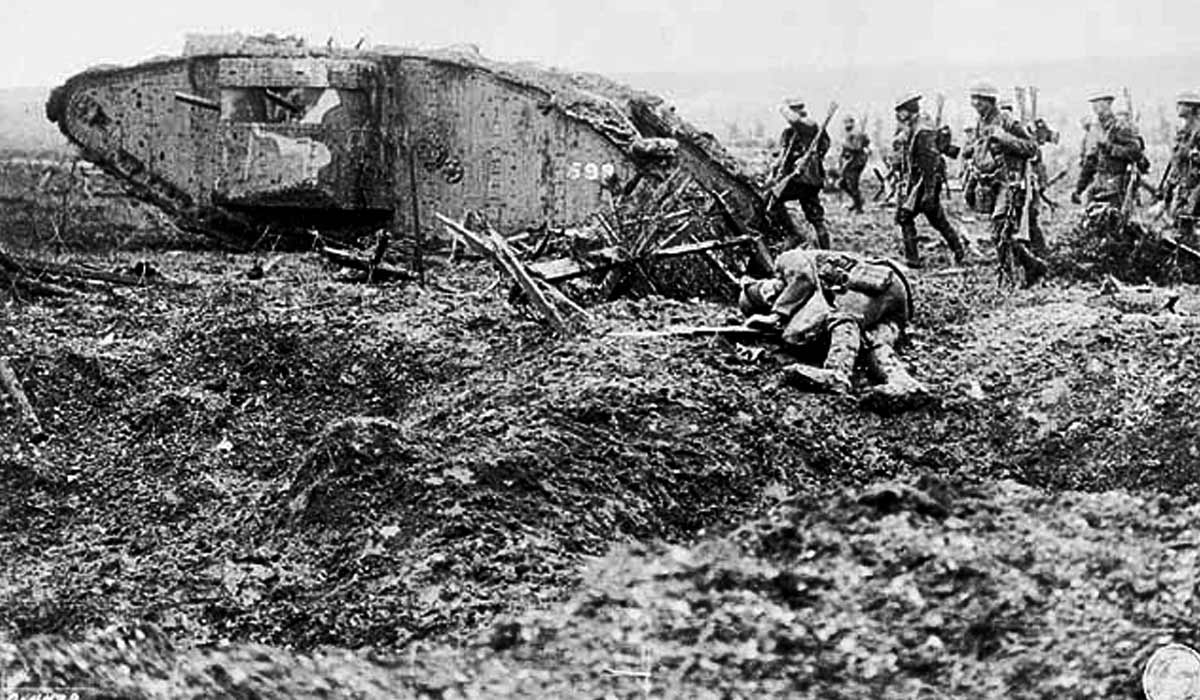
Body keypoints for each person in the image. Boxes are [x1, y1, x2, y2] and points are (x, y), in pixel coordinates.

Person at [739, 248, 927, 410]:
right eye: (767, 300)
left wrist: (776, 315)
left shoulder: (788, 259)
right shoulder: (802, 305)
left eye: (766, 290)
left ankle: (838, 372)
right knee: (873, 342)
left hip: (871, 280)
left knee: (842, 315)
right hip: (895, 303)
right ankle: (903, 383)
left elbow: (803, 277)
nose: (773, 294)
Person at [963, 81, 1047, 285]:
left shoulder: (1007, 120)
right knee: (1002, 232)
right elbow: (979, 148)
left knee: (1000, 229)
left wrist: (1005, 139)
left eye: (980, 100)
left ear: (990, 101)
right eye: (973, 99)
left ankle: (1009, 275)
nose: (975, 104)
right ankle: (1028, 266)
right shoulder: (980, 122)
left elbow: (1031, 148)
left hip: (1009, 181)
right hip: (989, 182)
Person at [892, 93, 966, 268]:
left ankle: (913, 260)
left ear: (909, 110)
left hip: (924, 182)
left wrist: (930, 192)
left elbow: (930, 165)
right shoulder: (916, 126)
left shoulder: (922, 131)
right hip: (920, 181)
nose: (898, 115)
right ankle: (958, 249)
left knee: (905, 217)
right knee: (936, 219)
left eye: (901, 111)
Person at [766, 97, 832, 249]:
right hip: (798, 179)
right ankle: (823, 249)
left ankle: (794, 234)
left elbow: (795, 121)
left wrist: (782, 108)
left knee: (773, 198)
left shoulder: (810, 127)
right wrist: (773, 175)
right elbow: (782, 159)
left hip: (807, 178)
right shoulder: (788, 134)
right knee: (816, 218)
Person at [1072, 91, 1149, 205]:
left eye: (1099, 103)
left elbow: (1135, 152)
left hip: (1117, 182)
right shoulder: (1095, 129)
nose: (1095, 107)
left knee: (1111, 217)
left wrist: (1111, 148)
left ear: (1109, 103)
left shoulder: (1120, 127)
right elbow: (1090, 161)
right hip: (1099, 181)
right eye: (1093, 104)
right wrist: (1079, 188)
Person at [1163, 91, 1200, 244]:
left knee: (1188, 219)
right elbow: (1176, 161)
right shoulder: (1183, 131)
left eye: (1182, 104)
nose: (1178, 107)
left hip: (1195, 183)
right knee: (1178, 221)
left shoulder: (1198, 130)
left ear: (1191, 108)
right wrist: (1170, 182)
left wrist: (1192, 154)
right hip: (1183, 183)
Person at [838, 116, 871, 213]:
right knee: (842, 183)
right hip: (851, 160)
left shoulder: (856, 133)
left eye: (848, 123)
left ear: (852, 123)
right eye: (845, 123)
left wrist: (845, 144)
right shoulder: (849, 133)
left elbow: (857, 147)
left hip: (857, 160)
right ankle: (857, 201)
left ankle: (859, 207)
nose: (846, 125)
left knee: (852, 184)